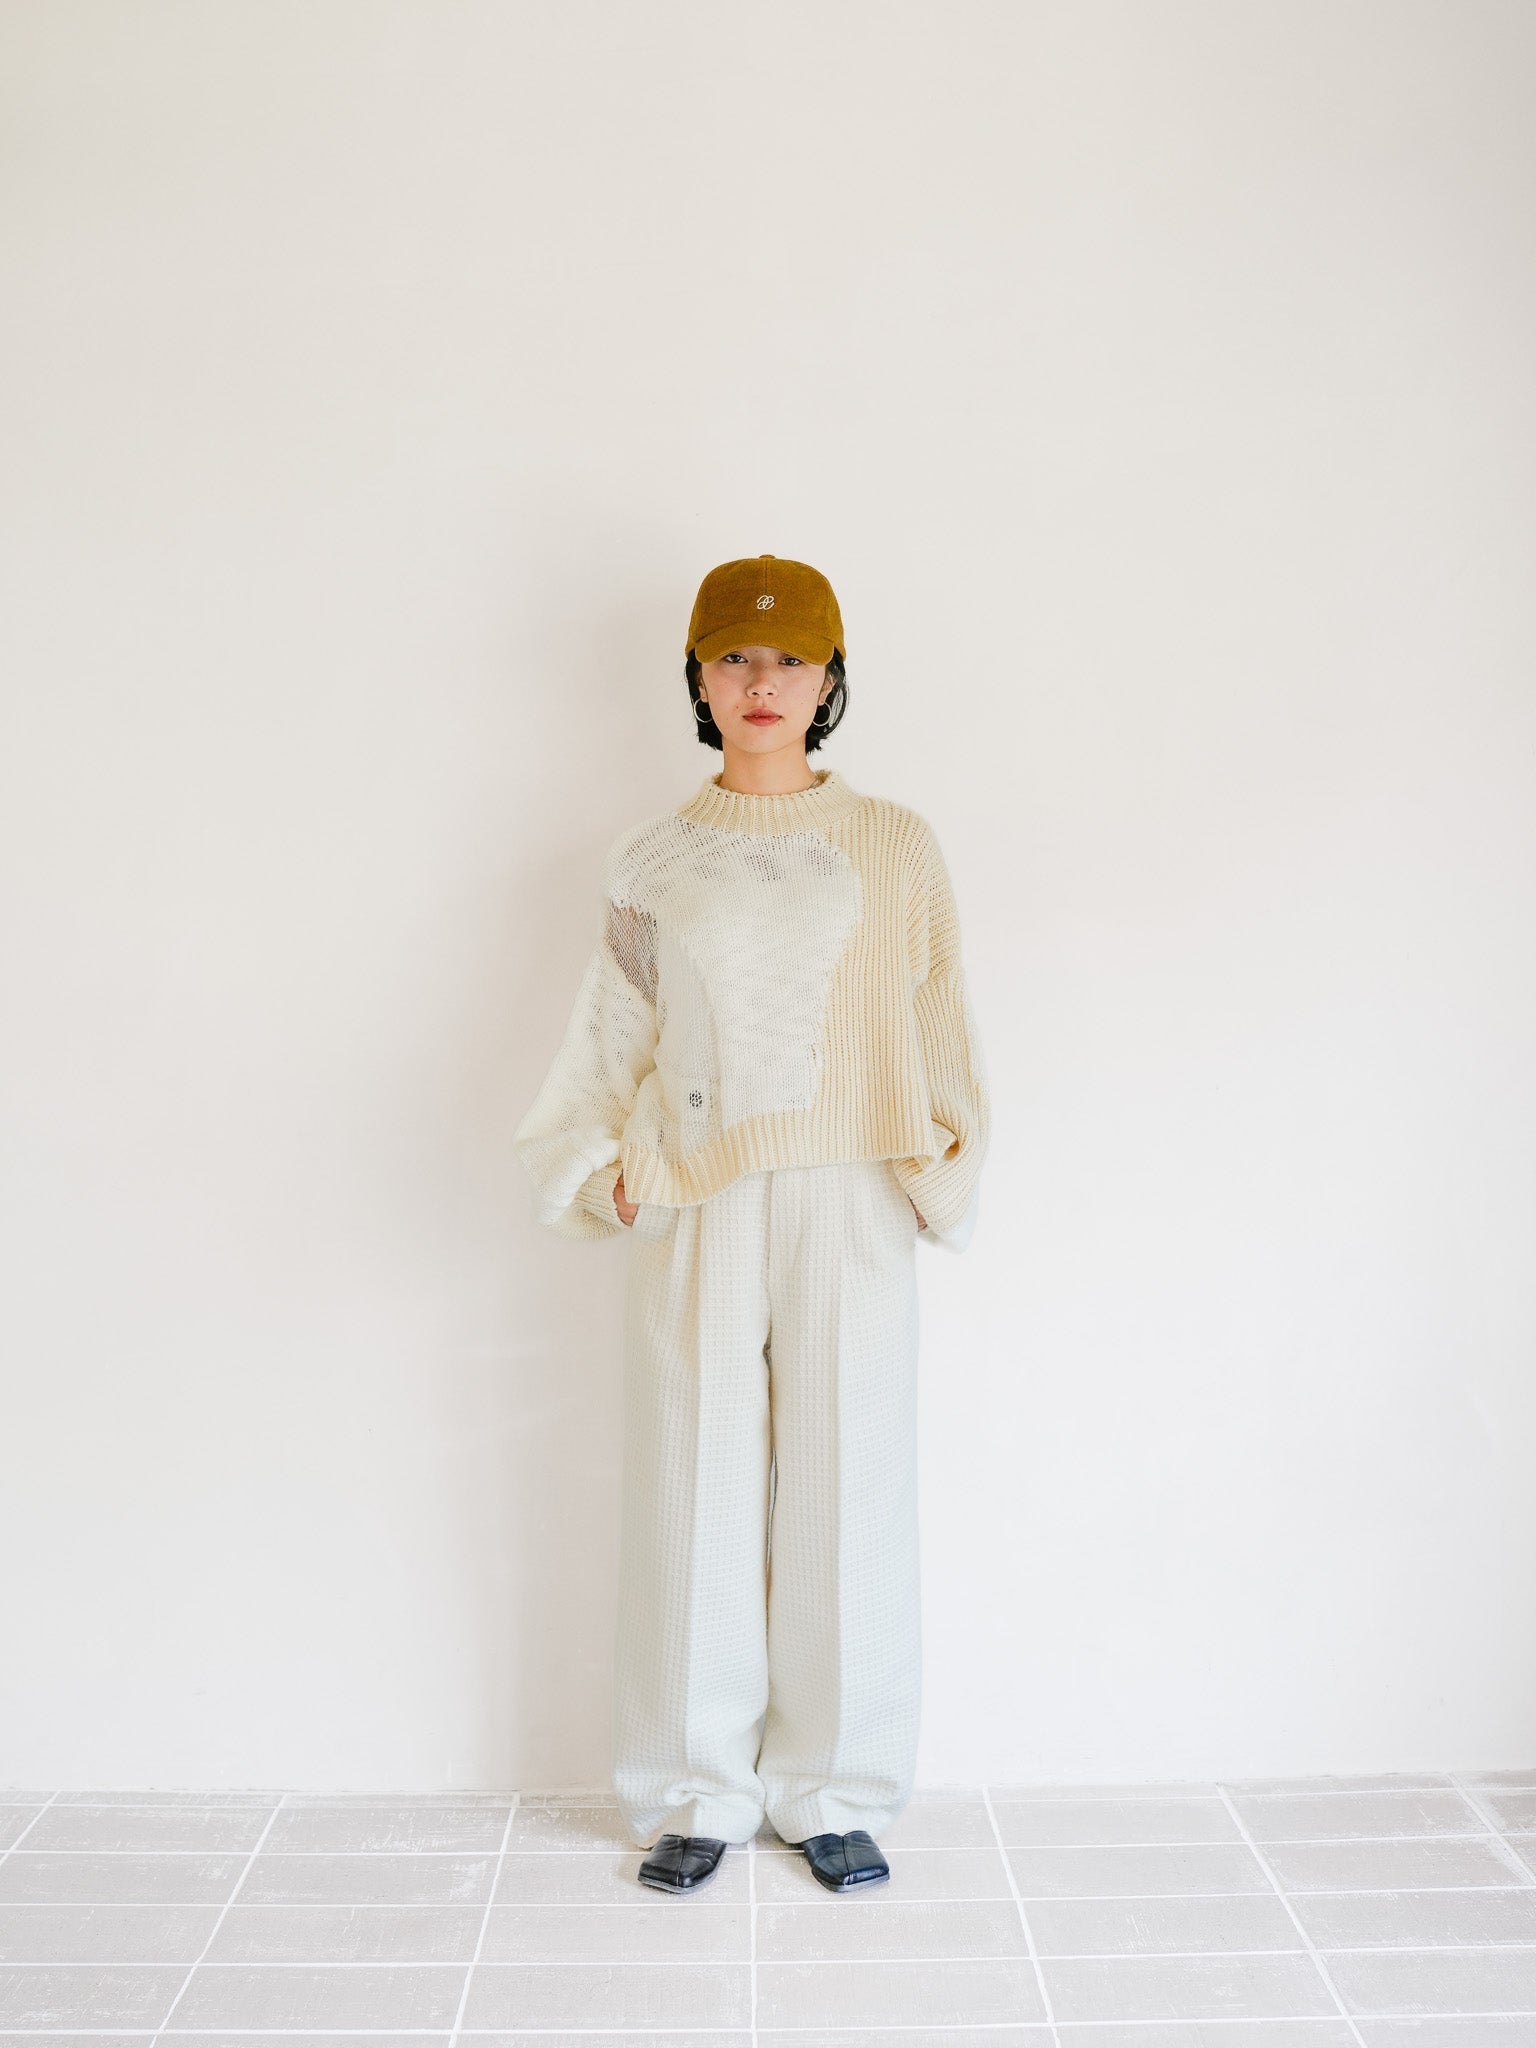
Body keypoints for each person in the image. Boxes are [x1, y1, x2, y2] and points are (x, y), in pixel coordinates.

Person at [513, 553, 990, 1897]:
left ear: (830, 678)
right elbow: (613, 1030)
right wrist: (598, 1168)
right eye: (732, 657)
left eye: (788, 659)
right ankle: (696, 1795)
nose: (760, 681)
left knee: (851, 1484)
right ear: (698, 678)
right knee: (693, 1481)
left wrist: (942, 1154)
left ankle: (834, 1789)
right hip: (697, 1190)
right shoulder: (654, 857)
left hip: (852, 1187)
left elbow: (937, 1008)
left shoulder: (896, 843)